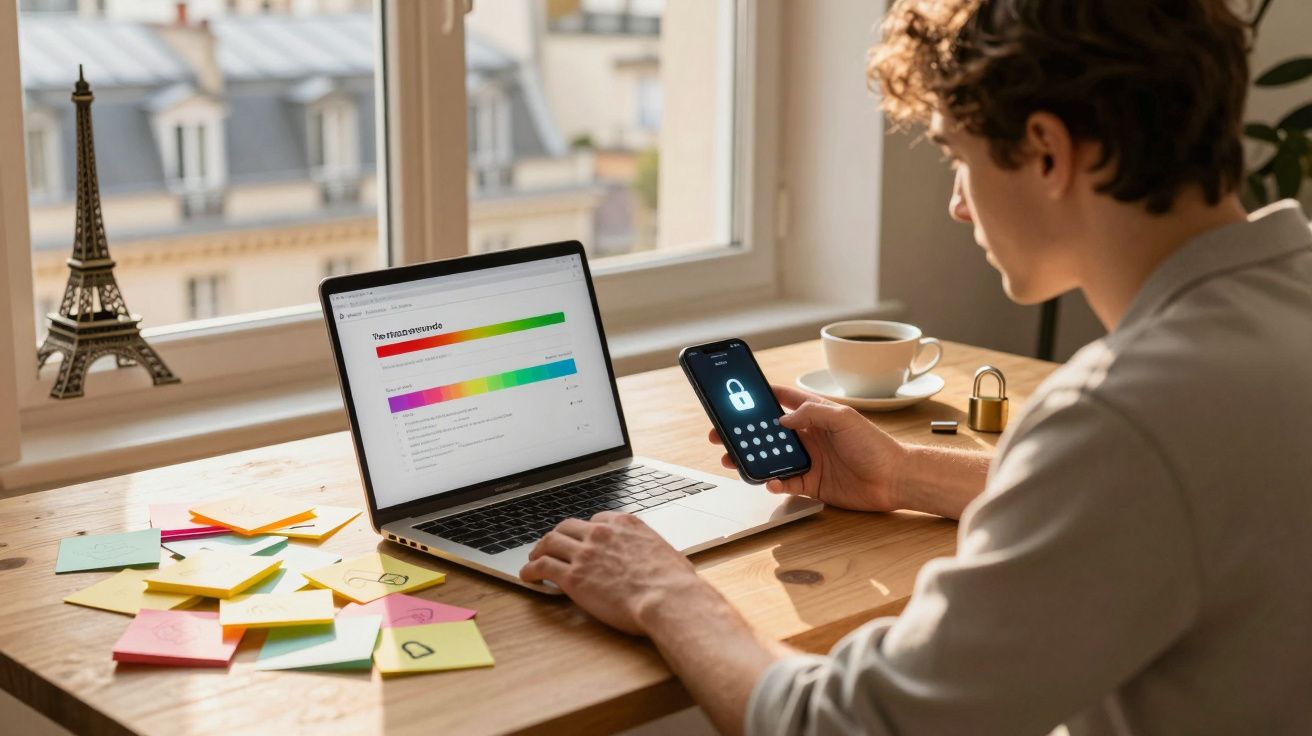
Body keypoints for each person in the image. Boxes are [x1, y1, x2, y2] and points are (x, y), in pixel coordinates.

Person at [520, 0, 1312, 732]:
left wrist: (663, 591)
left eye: (955, 156)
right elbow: (1163, 500)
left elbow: (846, 726)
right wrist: (902, 476)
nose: (958, 205)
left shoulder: (1125, 415)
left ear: (1046, 152)